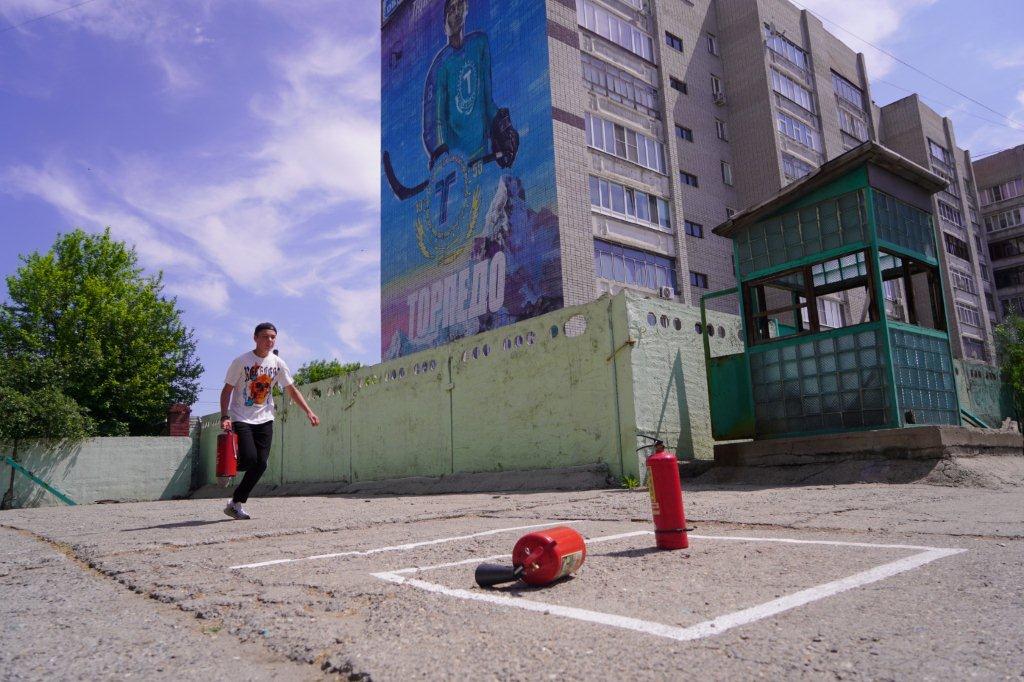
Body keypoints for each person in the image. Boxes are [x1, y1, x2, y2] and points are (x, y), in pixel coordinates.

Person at [219, 322, 319, 520]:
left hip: (265, 418)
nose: (269, 341)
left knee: (261, 464)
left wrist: (309, 411)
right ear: (255, 338)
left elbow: (291, 389)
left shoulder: (278, 363)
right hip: (241, 416)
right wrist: (225, 416)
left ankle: (235, 503)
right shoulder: (241, 361)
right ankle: (227, 467)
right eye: (265, 337)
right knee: (249, 458)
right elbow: (227, 390)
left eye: (273, 337)